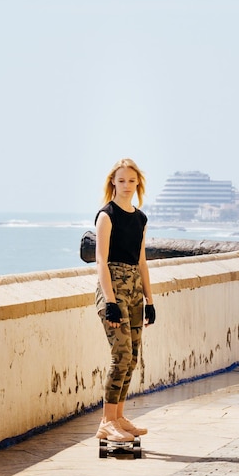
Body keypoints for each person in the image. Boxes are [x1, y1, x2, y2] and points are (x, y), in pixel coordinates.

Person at [94, 158, 156, 442]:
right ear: (113, 183)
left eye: (132, 181)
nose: (127, 186)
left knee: (132, 359)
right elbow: (101, 261)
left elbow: (142, 262)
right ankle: (107, 421)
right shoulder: (107, 215)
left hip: (134, 291)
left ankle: (119, 416)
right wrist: (109, 301)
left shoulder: (140, 218)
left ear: (138, 184)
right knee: (120, 356)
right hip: (114, 290)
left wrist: (150, 300)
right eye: (122, 181)